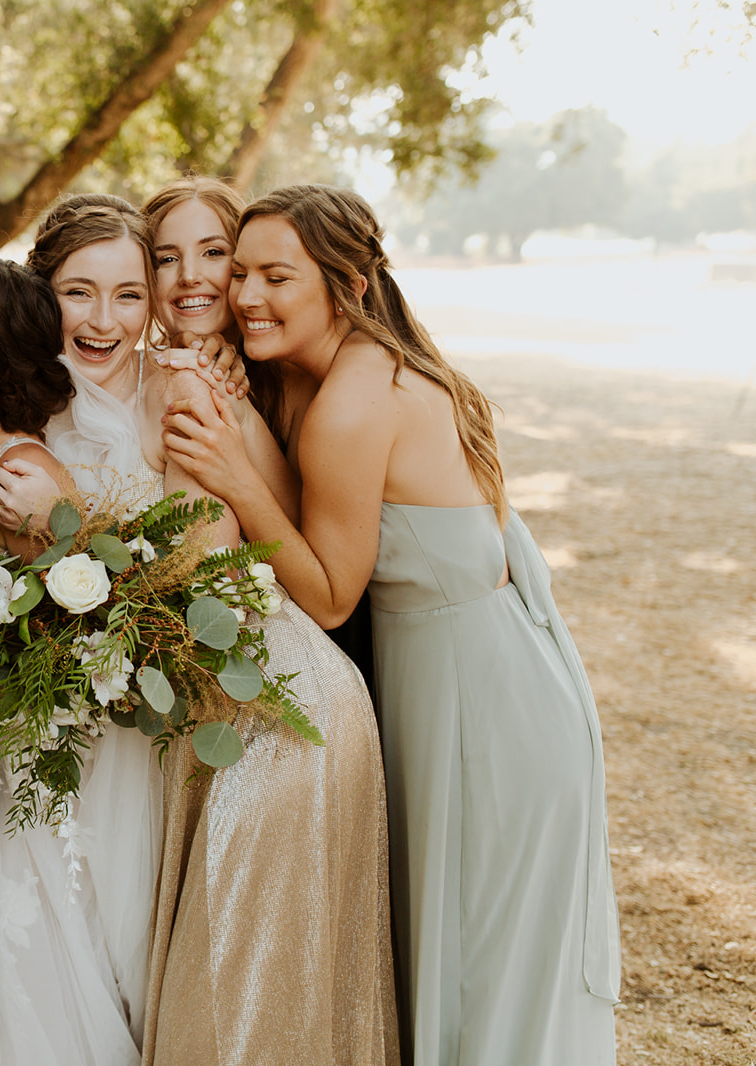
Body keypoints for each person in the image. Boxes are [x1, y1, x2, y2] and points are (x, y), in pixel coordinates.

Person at [161, 183, 619, 1065]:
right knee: (452, 967)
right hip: (448, 682)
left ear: (348, 284)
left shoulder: (356, 399)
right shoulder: (326, 374)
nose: (245, 295)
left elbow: (330, 595)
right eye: (241, 272)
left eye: (275, 277)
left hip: (486, 713)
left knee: (486, 977)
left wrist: (237, 477)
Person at [0, 192, 395, 1065]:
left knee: (222, 977)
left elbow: (201, 574)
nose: (106, 318)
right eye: (78, 292)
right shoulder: (7, 399)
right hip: (93, 719)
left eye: (129, 294)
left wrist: (71, 520)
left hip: (229, 710)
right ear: (38, 290)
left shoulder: (188, 389)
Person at [147, 176, 378, 694]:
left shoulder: (297, 372)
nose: (189, 276)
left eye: (213, 253)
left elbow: (317, 545)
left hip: (316, 656)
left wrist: (240, 429)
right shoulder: (143, 375)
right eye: (166, 258)